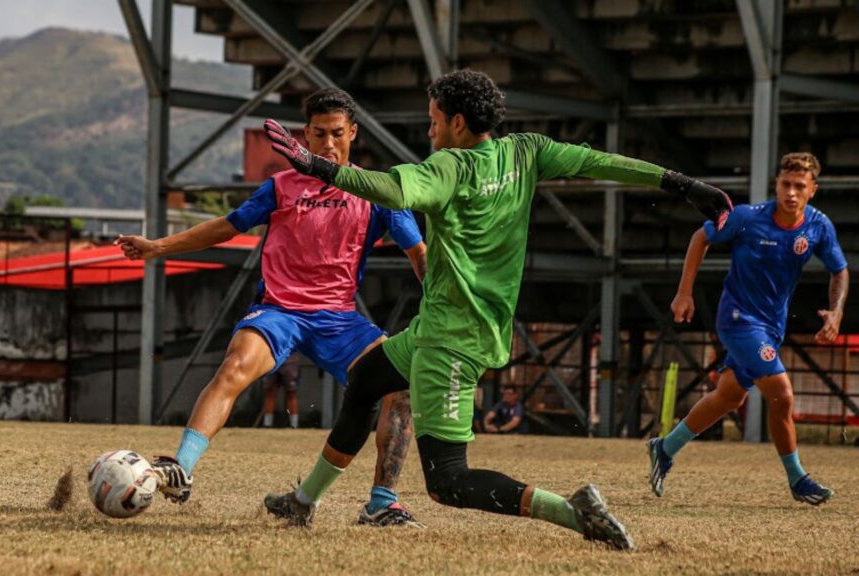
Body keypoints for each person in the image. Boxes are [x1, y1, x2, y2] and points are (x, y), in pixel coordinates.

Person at [258, 69, 732, 550]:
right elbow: (600, 161)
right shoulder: (526, 152)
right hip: (440, 328)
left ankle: (575, 513)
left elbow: (393, 190)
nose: (430, 132)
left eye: (434, 121)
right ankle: (303, 500)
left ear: (458, 123)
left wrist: (316, 165)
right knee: (365, 381)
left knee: (448, 481)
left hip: (452, 343)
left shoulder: (449, 167)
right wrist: (682, 183)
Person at [117, 88, 428, 527]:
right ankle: (181, 469)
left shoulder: (376, 192)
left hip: (339, 320)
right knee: (234, 366)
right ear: (305, 135)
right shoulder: (281, 186)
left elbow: (419, 255)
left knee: (399, 388)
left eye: (337, 134)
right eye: (318, 134)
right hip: (279, 311)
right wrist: (157, 246)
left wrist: (443, 306)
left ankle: (382, 501)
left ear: (353, 133)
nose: (327, 145)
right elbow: (226, 227)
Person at [651, 152, 847, 506]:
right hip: (738, 319)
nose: (791, 192)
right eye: (786, 184)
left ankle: (665, 447)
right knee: (782, 395)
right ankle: (798, 479)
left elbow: (840, 270)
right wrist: (684, 292)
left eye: (799, 186)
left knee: (728, 397)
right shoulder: (746, 217)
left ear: (812, 190)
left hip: (772, 325)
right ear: (777, 184)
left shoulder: (818, 226)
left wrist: (836, 313)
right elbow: (701, 237)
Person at [262, 352, 299, 428]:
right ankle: (267, 424)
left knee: (291, 393)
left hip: (290, 361)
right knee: (270, 392)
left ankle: (294, 425)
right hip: (271, 361)